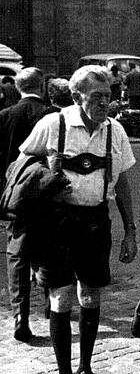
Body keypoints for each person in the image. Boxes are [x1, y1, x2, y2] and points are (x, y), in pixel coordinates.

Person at [20, 65, 138, 374]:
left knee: (90, 293)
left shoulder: (116, 130)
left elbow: (123, 183)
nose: (104, 103)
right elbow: (21, 164)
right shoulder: (52, 124)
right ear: (76, 96)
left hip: (95, 222)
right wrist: (43, 180)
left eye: (109, 96)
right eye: (97, 97)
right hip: (57, 224)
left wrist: (131, 230)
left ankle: (86, 366)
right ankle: (64, 371)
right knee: (60, 297)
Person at [0, 67, 56, 342]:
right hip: (45, 192)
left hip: (16, 195)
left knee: (17, 254)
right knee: (48, 249)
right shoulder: (51, 115)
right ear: (42, 86)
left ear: (19, 87)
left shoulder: (5, 116)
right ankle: (51, 305)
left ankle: (20, 315)